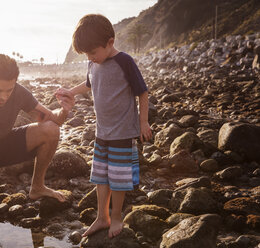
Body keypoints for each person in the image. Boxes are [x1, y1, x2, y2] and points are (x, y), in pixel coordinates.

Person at [0, 54, 74, 247]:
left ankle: (37, 187)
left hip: (4, 143)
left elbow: (50, 119)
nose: (3, 96)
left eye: (8, 90)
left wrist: (65, 111)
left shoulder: (18, 92)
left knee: (51, 130)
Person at [56, 14, 152, 238]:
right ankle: (102, 216)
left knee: (118, 179)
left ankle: (116, 216)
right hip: (102, 132)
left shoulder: (124, 61)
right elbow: (89, 83)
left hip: (121, 132)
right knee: (100, 176)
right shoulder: (93, 62)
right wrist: (71, 91)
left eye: (93, 52)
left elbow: (142, 92)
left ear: (110, 42)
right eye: (87, 54)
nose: (90, 57)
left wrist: (143, 121)